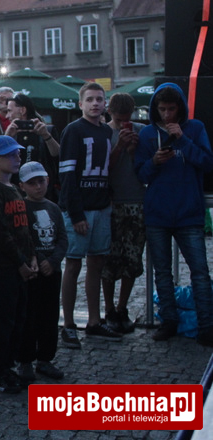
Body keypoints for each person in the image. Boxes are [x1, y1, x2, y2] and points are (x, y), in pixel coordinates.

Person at [135, 82, 213, 346]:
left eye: (171, 109)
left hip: (189, 212)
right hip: (158, 212)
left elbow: (207, 162)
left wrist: (183, 139)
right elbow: (141, 173)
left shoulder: (196, 128)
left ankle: (206, 326)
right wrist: (154, 162)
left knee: (199, 272)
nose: (167, 114)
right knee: (162, 272)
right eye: (162, 109)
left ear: (180, 108)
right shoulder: (147, 134)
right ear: (155, 109)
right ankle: (168, 321)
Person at [59, 82, 121, 350]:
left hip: (101, 207)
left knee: (96, 264)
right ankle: (68, 324)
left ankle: (94, 321)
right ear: (80, 104)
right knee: (73, 265)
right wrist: (75, 214)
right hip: (79, 209)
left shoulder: (106, 131)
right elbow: (67, 174)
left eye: (99, 99)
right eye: (90, 99)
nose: (95, 103)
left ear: (105, 103)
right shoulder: (73, 130)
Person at [0, 135, 36, 394]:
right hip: (1, 266)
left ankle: (8, 365)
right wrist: (20, 262)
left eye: (17, 153)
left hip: (18, 266)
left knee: (16, 318)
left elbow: (23, 229)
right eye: (10, 154)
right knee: (0, 320)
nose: (17, 157)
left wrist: (31, 257)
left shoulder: (13, 188)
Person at [16, 161, 67, 382]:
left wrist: (53, 261)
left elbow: (62, 238)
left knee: (49, 316)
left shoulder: (53, 208)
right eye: (32, 183)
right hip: (32, 272)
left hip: (52, 272)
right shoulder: (22, 207)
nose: (38, 187)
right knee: (28, 316)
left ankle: (45, 358)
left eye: (41, 181)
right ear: (22, 186)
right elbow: (23, 238)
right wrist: (38, 258)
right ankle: (25, 359)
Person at [101, 93, 146, 334]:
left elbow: (147, 169)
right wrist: (119, 147)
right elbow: (102, 170)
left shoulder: (141, 131)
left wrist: (133, 151)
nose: (123, 124)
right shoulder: (103, 132)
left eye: (127, 119)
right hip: (111, 202)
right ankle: (109, 309)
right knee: (109, 259)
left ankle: (122, 308)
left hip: (136, 201)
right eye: (119, 120)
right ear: (110, 112)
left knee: (132, 258)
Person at [4, 93, 61, 203]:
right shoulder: (12, 133)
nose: (7, 116)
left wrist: (46, 136)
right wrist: (7, 137)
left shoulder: (45, 130)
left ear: (23, 110)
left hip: (44, 194)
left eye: (9, 111)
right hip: (17, 195)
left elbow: (58, 155)